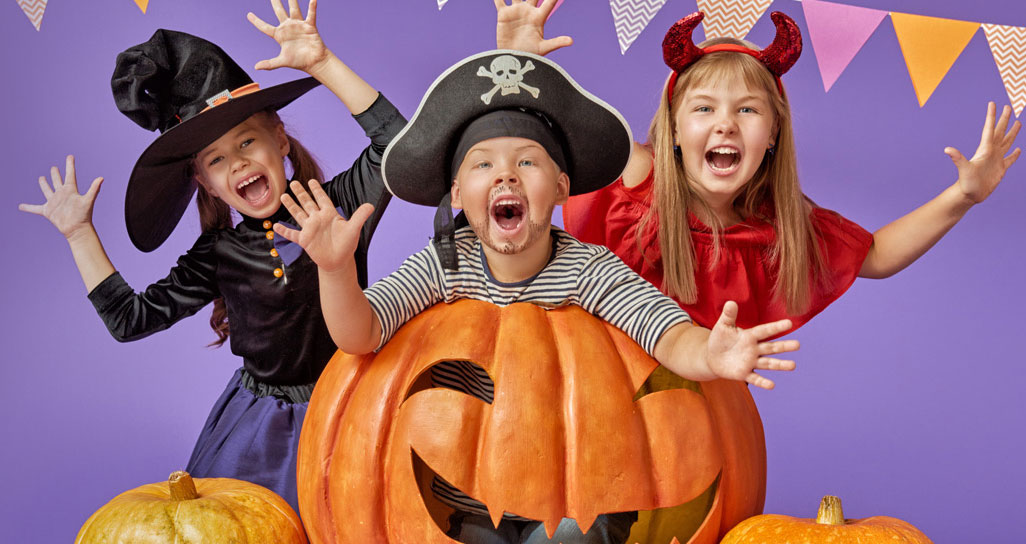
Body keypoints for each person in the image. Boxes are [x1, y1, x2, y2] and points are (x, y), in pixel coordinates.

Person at [274, 49, 798, 544]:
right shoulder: (445, 262)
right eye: (483, 164)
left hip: (573, 500)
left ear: (562, 187)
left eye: (528, 162)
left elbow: (663, 334)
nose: (505, 174)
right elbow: (359, 335)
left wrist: (709, 352)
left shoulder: (587, 270)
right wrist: (336, 270)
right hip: (467, 507)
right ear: (457, 194)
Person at [18, 0, 404, 512]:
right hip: (263, 433)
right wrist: (79, 234)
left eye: (247, 141)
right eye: (217, 159)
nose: (238, 162)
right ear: (204, 182)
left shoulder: (338, 207)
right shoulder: (218, 252)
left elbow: (399, 144)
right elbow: (129, 320)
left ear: (280, 137)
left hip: (353, 404)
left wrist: (321, 63)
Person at [496, 3, 1021, 333]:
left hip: (692, 414)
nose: (725, 125)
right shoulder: (634, 177)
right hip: (584, 379)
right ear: (673, 130)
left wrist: (963, 197)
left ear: (772, 134)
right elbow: (540, 140)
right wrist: (517, 64)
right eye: (704, 109)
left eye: (747, 110)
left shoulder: (778, 227)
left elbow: (876, 256)